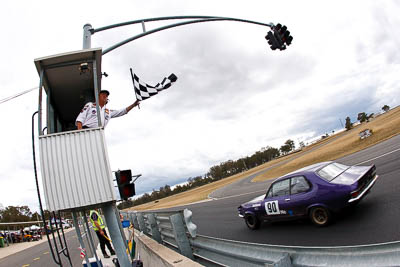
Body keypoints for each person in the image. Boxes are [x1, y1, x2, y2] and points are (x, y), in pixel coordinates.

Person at [76, 90, 140, 129]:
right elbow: (80, 119)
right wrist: (81, 133)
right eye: (103, 94)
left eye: (106, 95)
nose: (105, 96)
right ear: (98, 97)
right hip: (87, 131)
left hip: (100, 133)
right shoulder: (90, 105)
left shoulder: (108, 111)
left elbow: (122, 111)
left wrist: (133, 105)